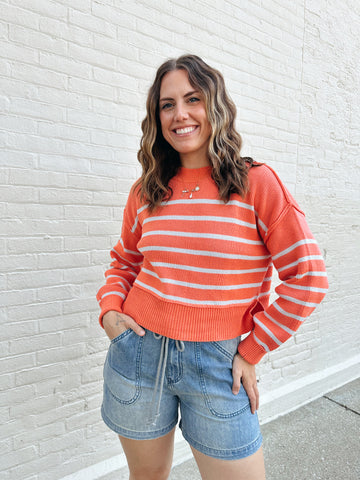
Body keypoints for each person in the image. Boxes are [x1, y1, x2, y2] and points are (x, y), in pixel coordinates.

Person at [96, 54, 328, 480]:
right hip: (138, 355)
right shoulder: (146, 190)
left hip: (219, 363)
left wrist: (253, 347)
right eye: (167, 105)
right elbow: (125, 261)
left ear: (215, 106)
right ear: (156, 116)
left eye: (193, 99)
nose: (180, 114)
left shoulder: (254, 183)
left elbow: (308, 277)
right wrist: (111, 310)